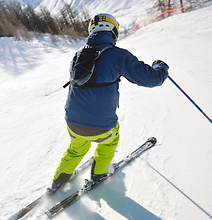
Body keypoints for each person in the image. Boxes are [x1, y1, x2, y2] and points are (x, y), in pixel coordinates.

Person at [49, 13, 169, 193]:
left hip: (73, 122)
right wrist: (161, 68)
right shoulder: (118, 55)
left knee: (76, 149)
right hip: (102, 127)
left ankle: (58, 183)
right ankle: (99, 175)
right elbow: (151, 79)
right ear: (113, 31)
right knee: (109, 143)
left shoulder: (78, 55)